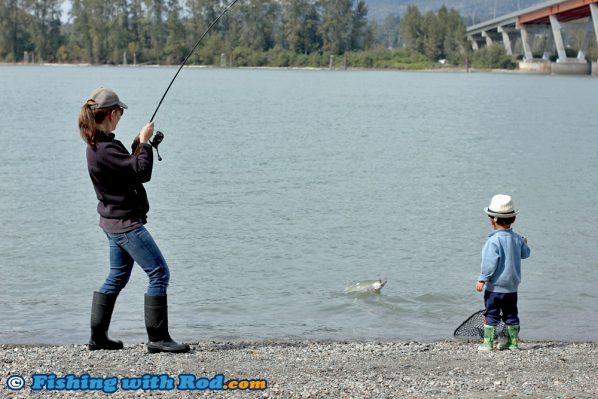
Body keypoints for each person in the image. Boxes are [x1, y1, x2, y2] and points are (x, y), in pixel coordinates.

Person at [79, 87, 189, 353]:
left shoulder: (99, 144)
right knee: (159, 273)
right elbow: (140, 172)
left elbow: (126, 167)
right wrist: (146, 143)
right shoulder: (104, 149)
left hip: (111, 222)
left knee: (117, 276)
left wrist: (138, 145)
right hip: (126, 225)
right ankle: (158, 339)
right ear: (112, 113)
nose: (121, 116)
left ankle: (99, 338)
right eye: (120, 112)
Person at [476, 194, 531, 351]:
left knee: (491, 314)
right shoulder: (517, 239)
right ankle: (513, 343)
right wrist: (524, 243)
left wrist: (482, 279)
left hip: (494, 288)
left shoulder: (493, 241)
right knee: (511, 314)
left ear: (492, 219)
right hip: (512, 287)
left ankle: (487, 343)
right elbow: (525, 254)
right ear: (513, 219)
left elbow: (489, 263)